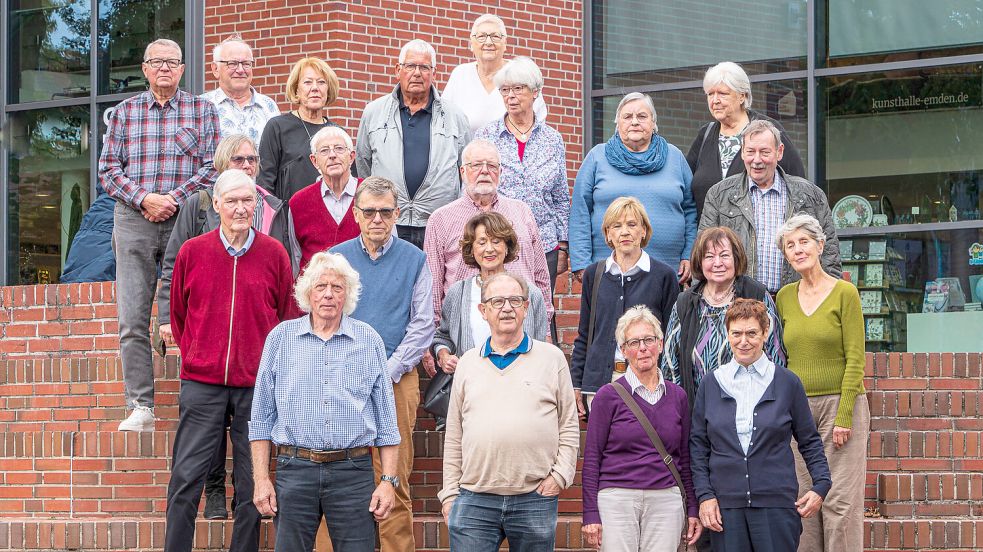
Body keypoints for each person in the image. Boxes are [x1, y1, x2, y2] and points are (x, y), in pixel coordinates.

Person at [156, 133, 288, 519]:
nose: (240, 208)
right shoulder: (193, 252)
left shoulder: (273, 253)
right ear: (216, 204)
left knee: (250, 485)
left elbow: (283, 314)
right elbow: (179, 313)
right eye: (231, 201)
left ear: (256, 205)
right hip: (202, 382)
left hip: (255, 382)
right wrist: (198, 351)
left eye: (248, 200)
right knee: (185, 479)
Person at [98, 38, 220, 431]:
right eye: (157, 62)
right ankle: (140, 406)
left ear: (183, 69)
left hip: (187, 219)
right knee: (132, 317)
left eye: (172, 62)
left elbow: (212, 167)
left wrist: (173, 199)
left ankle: (196, 398)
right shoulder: (124, 113)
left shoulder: (203, 110)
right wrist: (146, 198)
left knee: (193, 312)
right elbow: (108, 170)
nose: (165, 68)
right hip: (133, 219)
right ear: (145, 68)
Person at [250, 252, 400, 551]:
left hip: (353, 472)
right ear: (307, 293)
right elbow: (262, 418)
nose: (329, 294)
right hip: (295, 469)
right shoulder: (281, 338)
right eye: (321, 286)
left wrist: (388, 481)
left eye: (337, 287)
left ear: (348, 294)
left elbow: (386, 420)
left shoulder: (368, 340)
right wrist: (261, 479)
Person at [438, 272, 579, 551]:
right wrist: (450, 494)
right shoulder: (468, 363)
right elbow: (454, 433)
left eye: (515, 300)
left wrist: (560, 476)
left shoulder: (551, 359)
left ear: (526, 308)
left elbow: (569, 424)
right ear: (483, 310)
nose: (506, 308)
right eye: (497, 301)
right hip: (474, 498)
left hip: (534, 496)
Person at [330, 177, 433, 552]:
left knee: (395, 477)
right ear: (355, 214)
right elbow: (326, 315)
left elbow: (423, 323)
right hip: (341, 379)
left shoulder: (414, 259)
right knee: (336, 473)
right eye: (369, 211)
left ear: (397, 214)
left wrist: (387, 369)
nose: (377, 218)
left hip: (397, 378)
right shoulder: (337, 258)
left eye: (385, 212)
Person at [690, 298, 831, 551]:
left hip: (776, 505)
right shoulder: (712, 383)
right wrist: (705, 496)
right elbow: (699, 447)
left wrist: (821, 485)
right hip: (726, 509)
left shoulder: (787, 382)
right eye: (737, 333)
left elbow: (809, 440)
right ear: (727, 334)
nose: (744, 341)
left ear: (766, 333)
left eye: (752, 333)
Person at [775, 214, 869, 552]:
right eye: (790, 245)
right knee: (804, 500)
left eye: (803, 242)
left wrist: (845, 414)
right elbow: (782, 358)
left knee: (840, 503)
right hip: (798, 411)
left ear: (820, 244)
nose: (798, 250)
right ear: (785, 254)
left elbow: (856, 358)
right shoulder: (783, 297)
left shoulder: (845, 293)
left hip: (840, 405)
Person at [582, 306, 701, 551]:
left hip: (665, 500)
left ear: (660, 343)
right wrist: (591, 514)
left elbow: (685, 457)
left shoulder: (677, 396)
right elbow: (592, 457)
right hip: (617, 498)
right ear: (624, 350)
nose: (643, 348)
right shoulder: (608, 396)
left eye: (649, 339)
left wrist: (692, 508)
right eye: (634, 342)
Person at [475, 56, 569, 339]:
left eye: (518, 89)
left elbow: (561, 197)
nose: (511, 96)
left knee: (540, 306)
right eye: (505, 90)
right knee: (503, 306)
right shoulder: (487, 136)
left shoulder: (553, 140)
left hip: (544, 242)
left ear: (535, 92)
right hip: (499, 242)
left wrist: (563, 244)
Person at [424, 138, 553, 331]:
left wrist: (545, 323)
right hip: (465, 329)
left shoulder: (522, 212)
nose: (485, 171)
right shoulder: (440, 219)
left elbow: (541, 275)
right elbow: (432, 285)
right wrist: (436, 339)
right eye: (476, 165)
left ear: (500, 173)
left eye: (492, 165)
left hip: (522, 324)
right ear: (463, 172)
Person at [699, 119, 841, 294]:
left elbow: (829, 255)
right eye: (750, 151)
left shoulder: (811, 195)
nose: (757, 160)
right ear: (742, 152)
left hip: (796, 302)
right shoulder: (719, 195)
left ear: (779, 152)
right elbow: (703, 253)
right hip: (739, 303)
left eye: (764, 152)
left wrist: (827, 298)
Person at [355, 39, 472, 249]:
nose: (417, 73)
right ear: (398, 70)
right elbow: (364, 164)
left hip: (438, 222)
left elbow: (466, 170)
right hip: (388, 220)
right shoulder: (373, 113)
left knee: (434, 280)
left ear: (434, 73)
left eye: (424, 67)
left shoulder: (456, 116)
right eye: (410, 66)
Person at [570, 92, 696, 284]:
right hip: (608, 272)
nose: (635, 122)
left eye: (642, 116)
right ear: (617, 123)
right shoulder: (597, 156)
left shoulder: (674, 157)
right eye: (627, 117)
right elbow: (580, 212)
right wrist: (581, 263)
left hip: (667, 272)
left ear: (654, 123)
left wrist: (689, 254)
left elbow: (691, 209)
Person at [570, 198, 679, 418]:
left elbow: (671, 339)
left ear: (643, 231)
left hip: (648, 381)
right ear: (608, 234)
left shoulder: (664, 276)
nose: (625, 232)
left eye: (632, 224)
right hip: (600, 383)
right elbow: (585, 334)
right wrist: (577, 383)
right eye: (617, 226)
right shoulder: (594, 274)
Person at [661, 226, 787, 411]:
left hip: (752, 411)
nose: (717, 263)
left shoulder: (756, 295)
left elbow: (776, 358)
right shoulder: (685, 303)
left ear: (736, 258)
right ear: (700, 261)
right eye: (709, 256)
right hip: (699, 414)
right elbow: (670, 366)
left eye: (725, 255)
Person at [432, 211, 550, 376]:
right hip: (471, 384)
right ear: (472, 249)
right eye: (481, 242)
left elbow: (541, 345)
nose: (489, 249)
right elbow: (442, 337)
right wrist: (443, 355)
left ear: (507, 247)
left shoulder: (531, 293)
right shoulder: (457, 293)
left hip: (521, 384)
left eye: (496, 241)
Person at [687, 61, 805, 220]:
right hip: (711, 241)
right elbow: (687, 194)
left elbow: (797, 185)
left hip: (758, 240)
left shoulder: (768, 130)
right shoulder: (705, 135)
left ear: (742, 95)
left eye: (722, 93)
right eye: (710, 94)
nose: (715, 100)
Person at [442, 14, 548, 134]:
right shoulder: (460, 75)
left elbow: (538, 127)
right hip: (466, 152)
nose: (488, 42)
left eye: (495, 36)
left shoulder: (521, 74)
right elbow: (443, 120)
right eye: (481, 36)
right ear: (471, 44)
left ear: (505, 43)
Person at [258, 57, 341, 201]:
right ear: (296, 90)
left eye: (321, 82)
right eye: (308, 82)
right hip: (289, 217)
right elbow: (265, 183)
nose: (315, 88)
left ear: (328, 89)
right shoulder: (277, 127)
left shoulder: (337, 133)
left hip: (330, 217)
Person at [288, 126, 362, 275]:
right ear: (314, 161)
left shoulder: (370, 194)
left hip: (364, 291)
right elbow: (295, 260)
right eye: (324, 151)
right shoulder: (298, 203)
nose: (332, 155)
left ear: (352, 157)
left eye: (339, 148)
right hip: (317, 293)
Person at [201, 34, 279, 144]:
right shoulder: (202, 106)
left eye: (246, 63)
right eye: (232, 63)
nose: (241, 70)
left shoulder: (268, 106)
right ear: (215, 69)